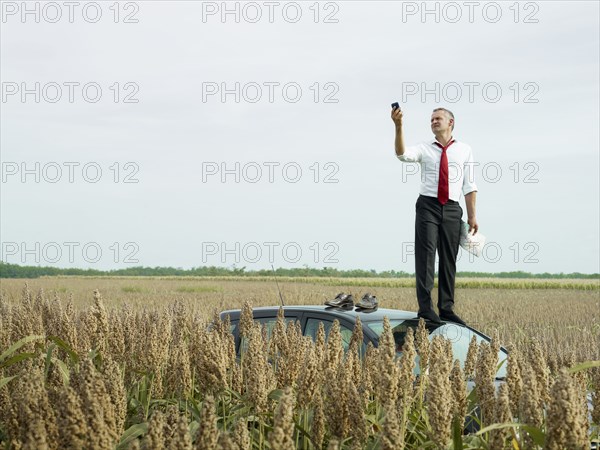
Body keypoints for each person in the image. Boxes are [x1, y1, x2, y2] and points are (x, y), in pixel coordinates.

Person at [391, 106, 478, 325]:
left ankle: (446, 309)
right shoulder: (424, 147)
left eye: (438, 118)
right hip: (428, 205)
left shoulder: (465, 150)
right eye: (431, 120)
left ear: (451, 123)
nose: (433, 122)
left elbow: (470, 186)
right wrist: (399, 126)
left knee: (449, 260)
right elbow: (402, 154)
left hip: (452, 208)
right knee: (426, 256)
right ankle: (426, 309)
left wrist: (472, 216)